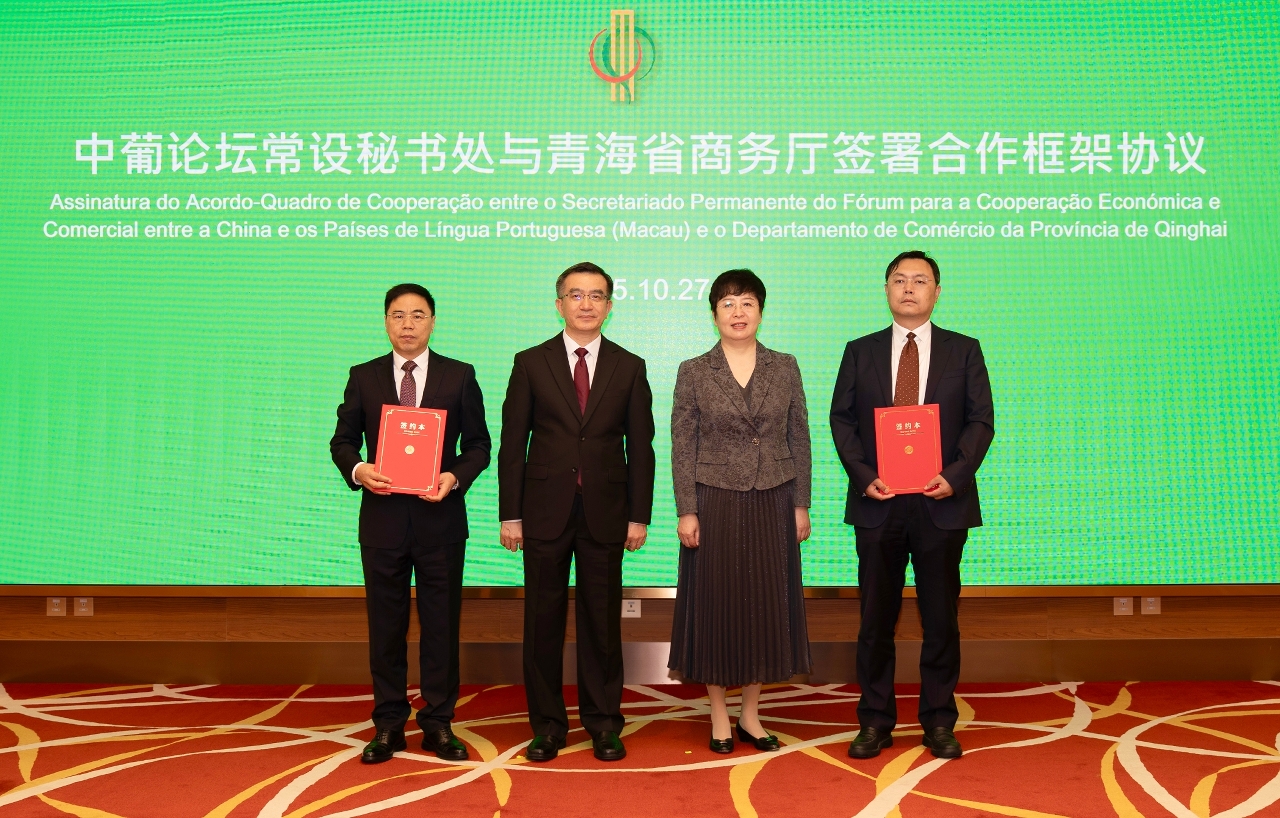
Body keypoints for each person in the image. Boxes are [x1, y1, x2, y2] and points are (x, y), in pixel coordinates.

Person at [829, 251, 994, 760]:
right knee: (875, 620)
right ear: (886, 290)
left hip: (940, 503)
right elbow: (842, 421)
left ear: (936, 292)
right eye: (899, 280)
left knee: (940, 619)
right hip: (878, 503)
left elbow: (980, 421)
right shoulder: (860, 351)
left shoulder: (964, 350)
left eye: (920, 280)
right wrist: (865, 477)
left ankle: (939, 721)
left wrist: (954, 476)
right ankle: (874, 722)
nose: (908, 288)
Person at [498, 261, 656, 763]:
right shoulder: (530, 362)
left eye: (596, 295)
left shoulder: (629, 366)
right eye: (576, 295)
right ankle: (547, 726)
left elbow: (642, 447)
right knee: (542, 623)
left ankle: (604, 723)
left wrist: (639, 515)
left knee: (602, 624)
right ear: (559, 303)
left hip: (606, 512)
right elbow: (512, 444)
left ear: (609, 306)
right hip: (543, 512)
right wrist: (510, 514)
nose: (586, 304)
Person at [330, 283, 491, 764]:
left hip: (441, 521)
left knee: (441, 627)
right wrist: (359, 470)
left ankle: (438, 723)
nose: (407, 324)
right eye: (398, 315)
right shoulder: (364, 376)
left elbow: (479, 445)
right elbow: (342, 442)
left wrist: (453, 477)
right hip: (382, 523)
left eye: (418, 315)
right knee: (386, 629)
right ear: (385, 322)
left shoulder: (459, 375)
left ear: (432, 322)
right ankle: (388, 724)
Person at [668, 268, 813, 754]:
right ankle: (718, 714)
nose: (738, 312)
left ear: (761, 312)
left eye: (747, 302)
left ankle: (750, 713)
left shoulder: (785, 366)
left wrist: (801, 503)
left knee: (764, 605)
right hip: (715, 500)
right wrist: (687, 509)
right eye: (727, 303)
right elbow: (682, 446)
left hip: (774, 497)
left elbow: (799, 437)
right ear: (714, 314)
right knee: (717, 604)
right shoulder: (694, 370)